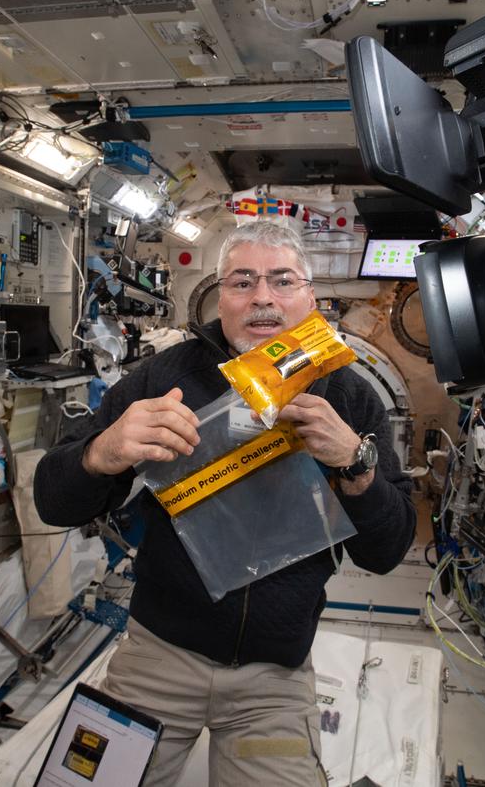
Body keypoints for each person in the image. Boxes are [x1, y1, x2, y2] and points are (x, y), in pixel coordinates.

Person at [34, 221, 415, 786]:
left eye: (282, 280)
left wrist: (355, 464)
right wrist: (102, 451)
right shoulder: (167, 377)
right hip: (159, 655)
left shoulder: (351, 397)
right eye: (242, 282)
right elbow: (50, 499)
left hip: (273, 678)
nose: (263, 297)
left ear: (309, 297)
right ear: (220, 298)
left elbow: (387, 553)